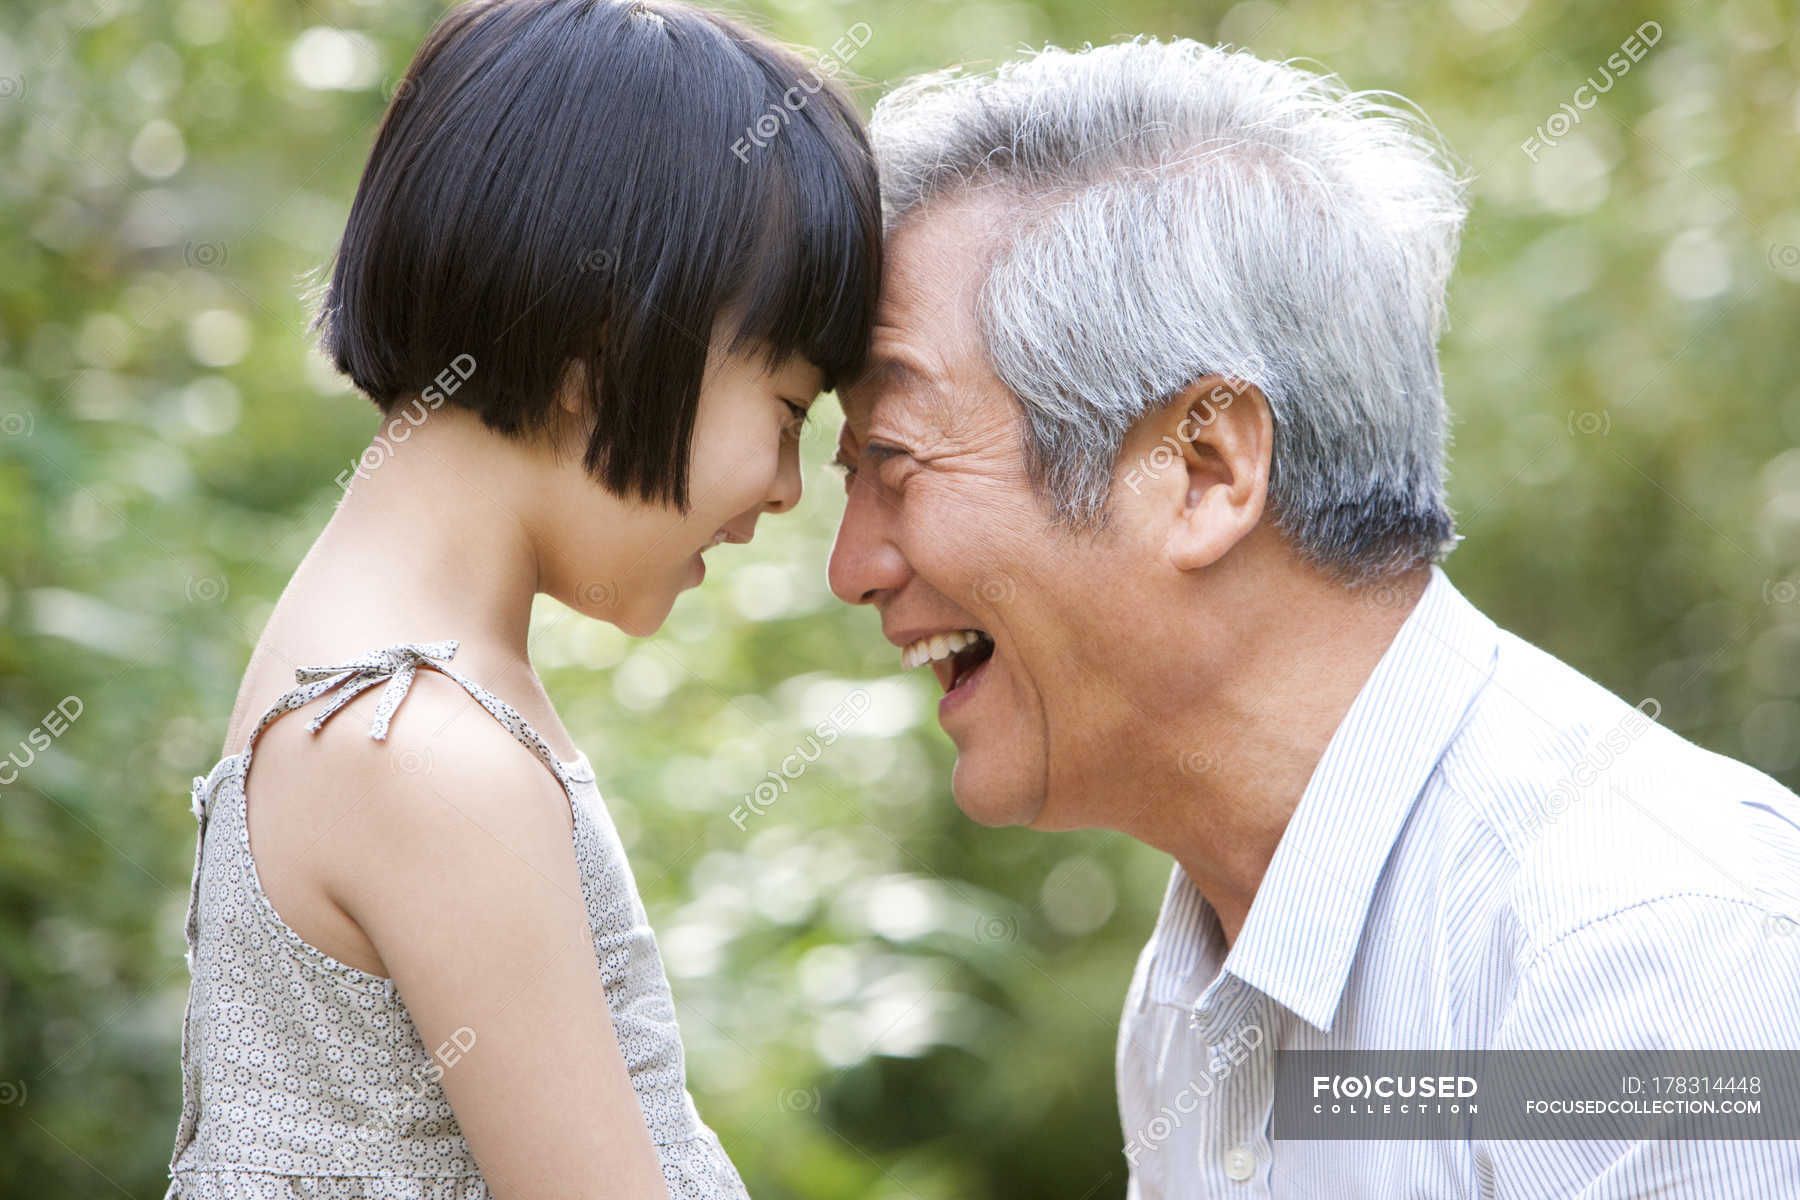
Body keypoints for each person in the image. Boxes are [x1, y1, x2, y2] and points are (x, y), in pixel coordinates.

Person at [825, 38, 1800, 1198]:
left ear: (1203, 470)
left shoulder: (1649, 955)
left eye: (893, 455)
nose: (853, 566)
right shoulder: (1197, 987)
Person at [166, 1, 878, 1196]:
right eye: (791, 413)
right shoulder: (422, 750)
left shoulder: (395, 690)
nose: (786, 491)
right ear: (601, 352)